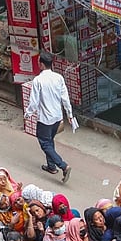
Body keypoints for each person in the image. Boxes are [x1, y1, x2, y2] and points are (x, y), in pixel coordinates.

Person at [25, 52, 75, 182]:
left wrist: (28, 114)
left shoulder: (38, 80)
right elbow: (65, 98)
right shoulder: (58, 78)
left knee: (45, 143)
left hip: (45, 119)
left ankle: (63, 166)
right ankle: (51, 166)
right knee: (50, 140)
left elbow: (34, 102)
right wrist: (69, 114)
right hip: (57, 117)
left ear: (41, 64)